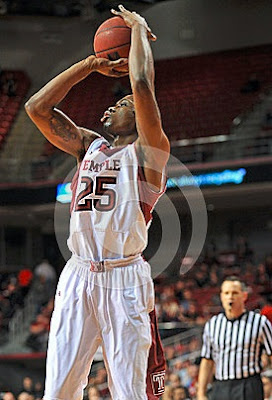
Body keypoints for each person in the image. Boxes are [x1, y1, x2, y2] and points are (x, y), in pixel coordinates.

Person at [25, 4, 169, 400]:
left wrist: (138, 29)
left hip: (124, 277)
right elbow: (36, 108)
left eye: (121, 104)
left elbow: (141, 82)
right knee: (58, 389)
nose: (112, 105)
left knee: (130, 390)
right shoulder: (89, 146)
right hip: (78, 274)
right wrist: (89, 65)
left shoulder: (149, 153)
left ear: (139, 118)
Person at [197, 276, 272, 400]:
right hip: (221, 386)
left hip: (249, 384)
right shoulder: (213, 324)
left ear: (244, 296)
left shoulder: (259, 322)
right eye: (226, 293)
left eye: (235, 293)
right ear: (221, 297)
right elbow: (207, 360)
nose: (230, 297)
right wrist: (201, 393)